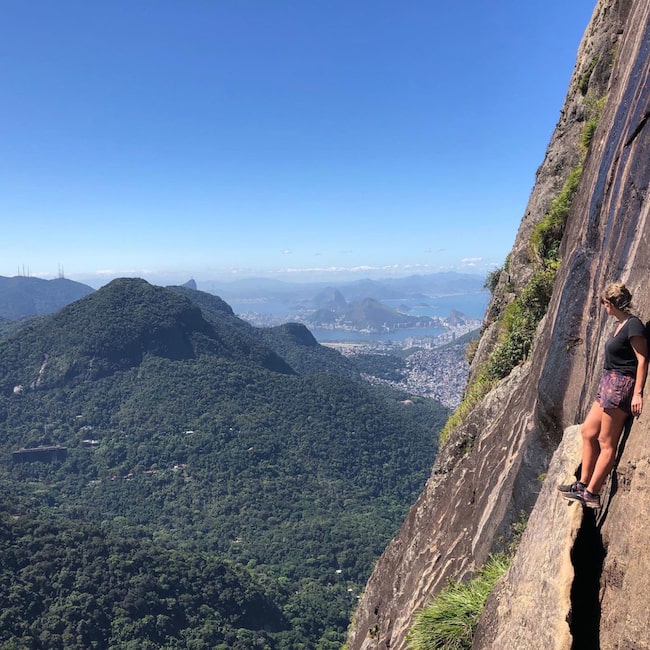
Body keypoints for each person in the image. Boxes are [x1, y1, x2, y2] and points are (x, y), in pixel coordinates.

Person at [559, 282, 648, 508]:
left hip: (620, 385)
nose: (603, 307)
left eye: (604, 303)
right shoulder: (620, 324)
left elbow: (642, 359)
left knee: (606, 442)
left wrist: (637, 393)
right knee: (588, 431)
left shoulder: (633, 325)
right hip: (608, 384)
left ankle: (592, 493)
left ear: (611, 303)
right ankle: (582, 483)